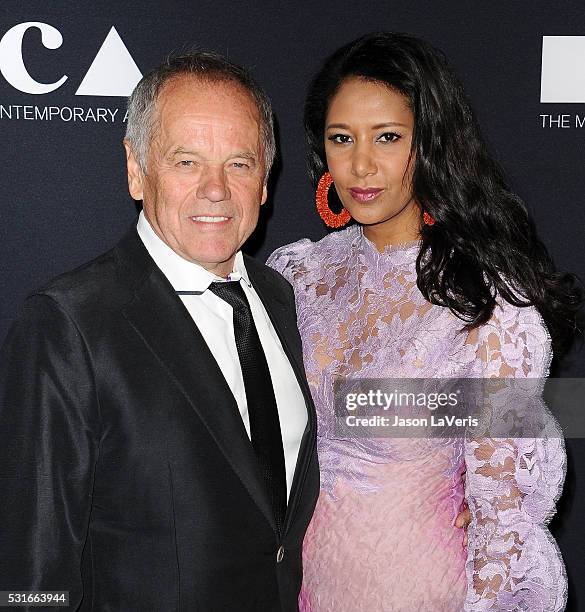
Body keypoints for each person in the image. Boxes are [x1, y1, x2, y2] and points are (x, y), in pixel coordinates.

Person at [267, 32, 580, 611]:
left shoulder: (488, 305)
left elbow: (501, 521)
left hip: (414, 588)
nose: (361, 164)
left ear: (430, 143)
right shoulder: (297, 278)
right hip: (293, 589)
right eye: (342, 139)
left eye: (388, 137)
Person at [0, 52, 319, 611]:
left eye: (239, 164)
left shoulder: (282, 301)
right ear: (136, 168)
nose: (216, 190)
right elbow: (32, 573)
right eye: (187, 162)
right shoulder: (69, 324)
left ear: (265, 180)